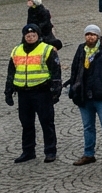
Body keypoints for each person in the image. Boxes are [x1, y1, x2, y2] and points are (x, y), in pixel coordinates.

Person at [65, 26, 102, 166]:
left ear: (98, 36)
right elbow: (75, 69)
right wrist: (73, 87)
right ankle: (88, 154)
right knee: (88, 127)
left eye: (93, 34)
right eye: (87, 34)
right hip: (84, 95)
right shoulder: (81, 49)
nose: (90, 37)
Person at [6, 23, 63, 163]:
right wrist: (8, 91)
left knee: (46, 122)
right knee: (26, 123)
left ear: (38, 36)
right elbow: (11, 73)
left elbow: (56, 72)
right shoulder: (16, 50)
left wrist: (56, 91)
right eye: (28, 36)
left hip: (42, 91)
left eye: (33, 35)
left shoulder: (47, 50)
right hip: (23, 93)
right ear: (24, 36)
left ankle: (50, 151)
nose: (30, 38)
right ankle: (28, 151)